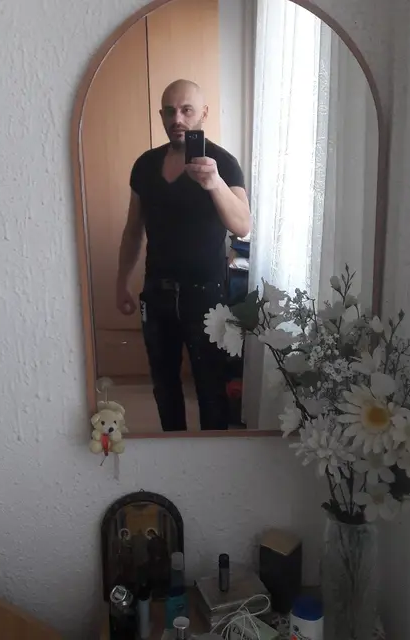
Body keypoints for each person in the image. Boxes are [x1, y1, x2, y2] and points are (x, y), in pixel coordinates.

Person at [116, 79, 250, 432]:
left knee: (210, 386)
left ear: (203, 113)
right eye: (170, 111)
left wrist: (214, 183)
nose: (177, 118)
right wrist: (121, 282)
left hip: (207, 294)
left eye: (186, 110)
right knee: (164, 384)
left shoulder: (223, 163)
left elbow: (243, 225)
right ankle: (172, 450)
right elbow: (133, 230)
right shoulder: (145, 165)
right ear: (161, 115)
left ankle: (213, 458)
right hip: (156, 291)